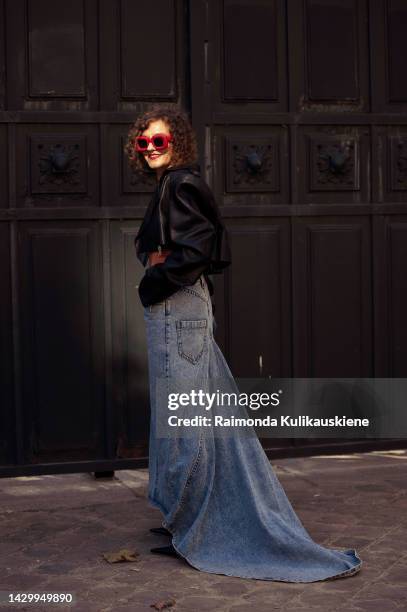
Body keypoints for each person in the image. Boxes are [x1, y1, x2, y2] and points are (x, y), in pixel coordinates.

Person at [125, 106, 363, 582]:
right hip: (179, 308)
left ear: (178, 143)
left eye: (160, 142)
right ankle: (183, 520)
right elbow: (185, 247)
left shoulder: (181, 185)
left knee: (185, 421)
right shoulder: (171, 186)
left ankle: (196, 527)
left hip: (176, 307)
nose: (151, 150)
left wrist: (152, 282)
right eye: (143, 143)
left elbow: (199, 251)